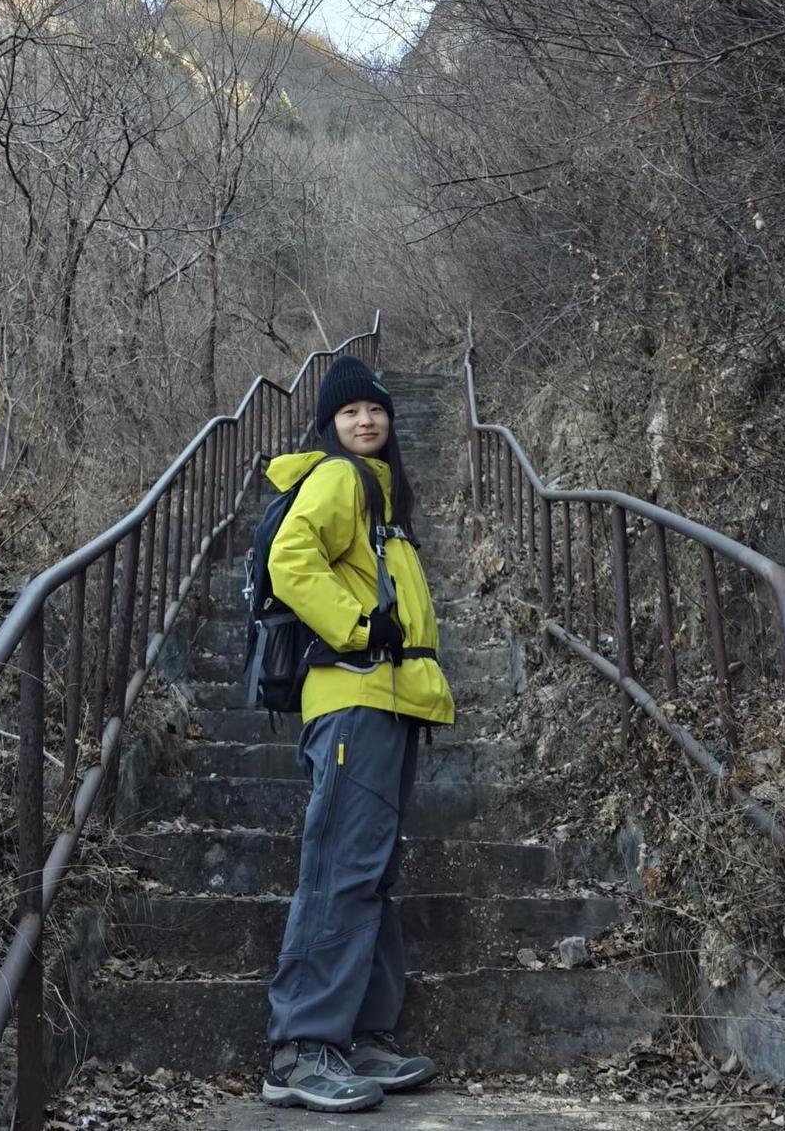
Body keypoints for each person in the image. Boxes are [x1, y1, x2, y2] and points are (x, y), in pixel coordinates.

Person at [261, 355, 456, 1113]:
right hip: (353, 698)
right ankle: (301, 1046)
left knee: (369, 868)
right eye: (349, 413)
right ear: (330, 426)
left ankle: (363, 1032)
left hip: (387, 701)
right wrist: (354, 626)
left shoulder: (382, 502)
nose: (365, 421)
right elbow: (289, 558)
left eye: (375, 409)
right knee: (341, 864)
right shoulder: (340, 480)